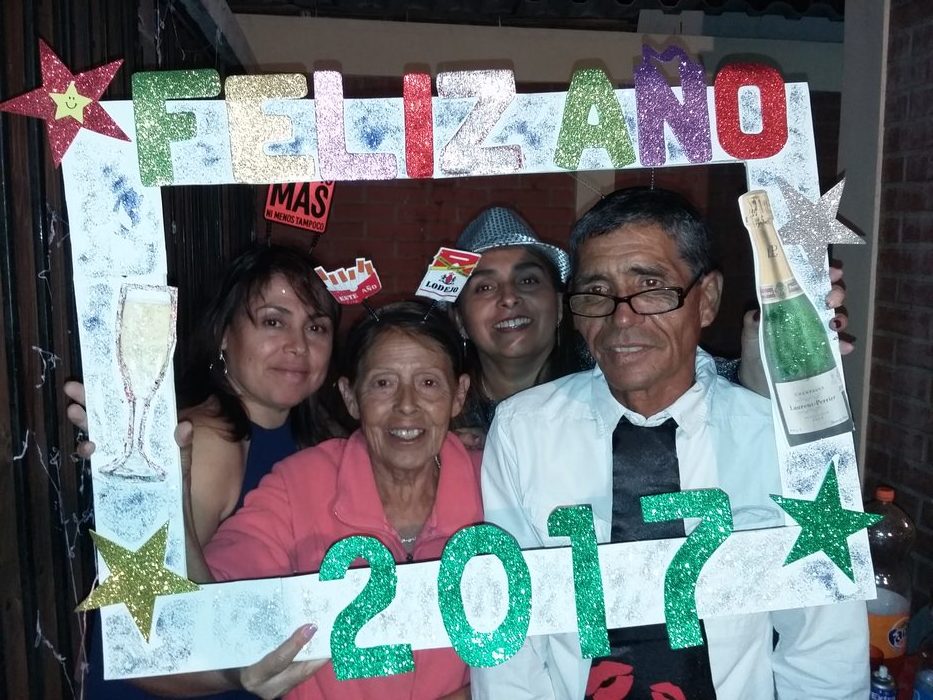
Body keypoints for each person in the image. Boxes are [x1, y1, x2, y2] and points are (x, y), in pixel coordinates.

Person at [472, 187, 868, 698]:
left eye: (652, 287)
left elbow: (822, 644)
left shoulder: (776, 439)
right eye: (596, 292)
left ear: (707, 299)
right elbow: (510, 636)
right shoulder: (524, 432)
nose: (621, 318)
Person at [66, 243, 342, 699]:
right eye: (273, 322)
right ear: (223, 335)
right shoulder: (211, 442)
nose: (298, 346)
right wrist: (233, 674)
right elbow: (140, 635)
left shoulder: (309, 438)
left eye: (316, 327)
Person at [167, 300, 478, 699]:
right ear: (351, 397)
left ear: (459, 394)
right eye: (383, 383)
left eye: (429, 383)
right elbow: (200, 608)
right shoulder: (297, 485)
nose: (406, 405)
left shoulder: (494, 482)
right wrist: (167, 502)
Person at [449, 205, 850, 448]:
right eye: (483, 287)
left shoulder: (615, 367)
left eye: (528, 280)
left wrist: (779, 351)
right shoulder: (434, 404)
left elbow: (719, 389)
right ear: (459, 319)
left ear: (559, 307)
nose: (509, 298)